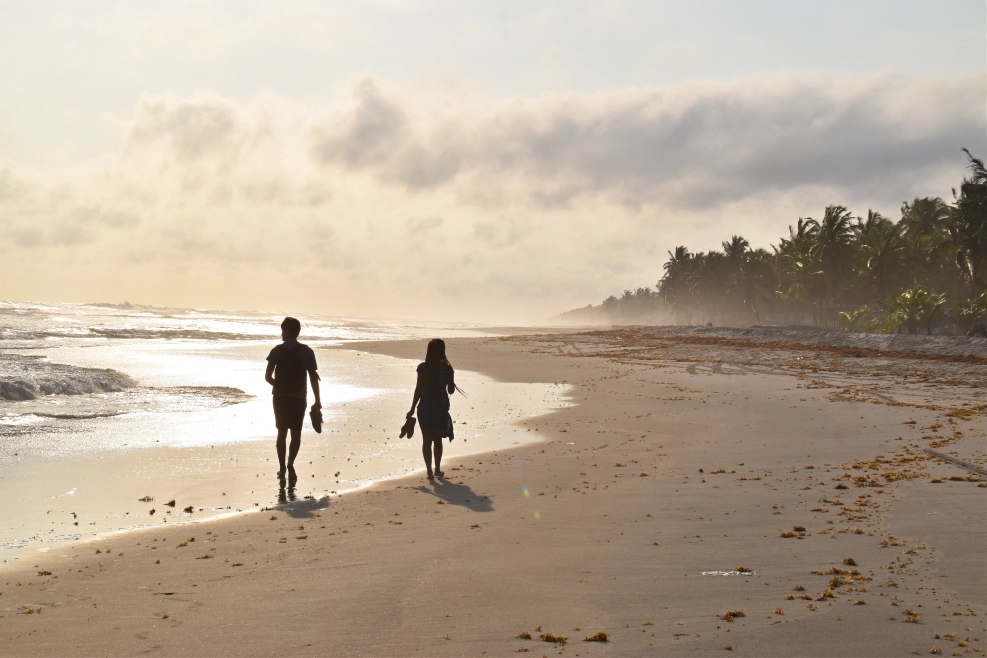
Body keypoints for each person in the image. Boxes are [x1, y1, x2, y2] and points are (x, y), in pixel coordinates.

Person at [265, 317, 320, 481]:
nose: (281, 334)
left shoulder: (276, 351)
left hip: (280, 398)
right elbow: (313, 378)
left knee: (281, 433)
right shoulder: (307, 352)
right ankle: (290, 464)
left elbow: (267, 377)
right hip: (298, 397)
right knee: (296, 434)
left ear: (287, 331)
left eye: (283, 330)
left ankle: (282, 469)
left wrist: (279, 386)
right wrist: (317, 400)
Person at [407, 338, 457, 480]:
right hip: (440, 407)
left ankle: (429, 471)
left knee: (426, 440)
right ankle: (437, 470)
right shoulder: (447, 369)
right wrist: (450, 378)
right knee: (438, 440)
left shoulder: (423, 368)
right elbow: (451, 390)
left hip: (425, 407)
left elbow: (418, 389)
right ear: (442, 351)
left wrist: (412, 409)